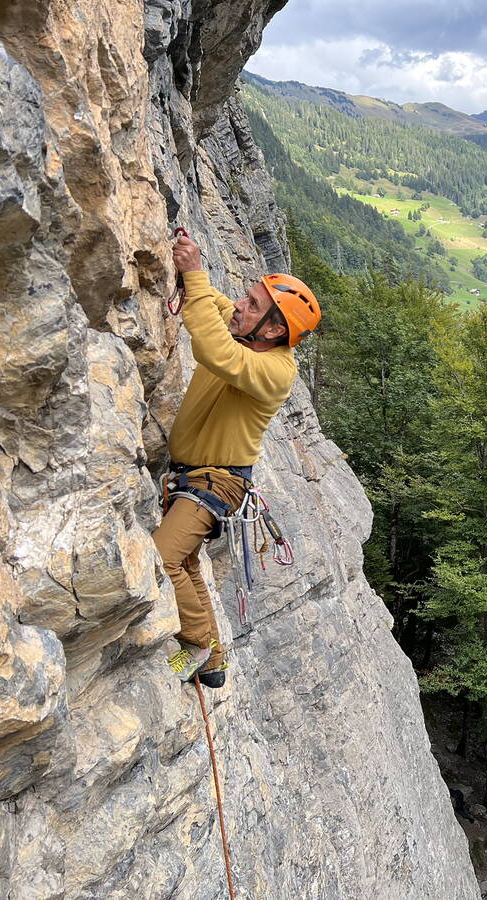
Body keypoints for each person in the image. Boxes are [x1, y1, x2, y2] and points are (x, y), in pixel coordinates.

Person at [153, 234, 321, 687]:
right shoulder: (246, 330)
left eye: (251, 304)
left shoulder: (275, 371)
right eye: (247, 298)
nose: (239, 306)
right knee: (185, 563)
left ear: (271, 330)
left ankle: (196, 645)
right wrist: (194, 272)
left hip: (217, 482)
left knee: (162, 557)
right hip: (194, 475)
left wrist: (193, 272)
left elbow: (213, 350)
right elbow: (215, 307)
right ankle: (213, 663)